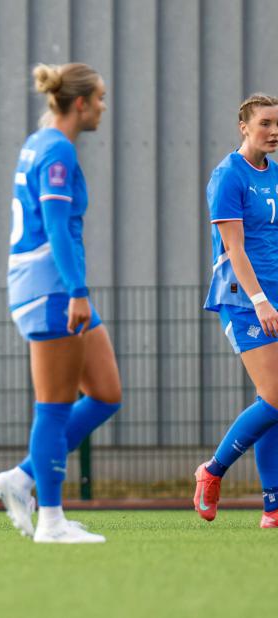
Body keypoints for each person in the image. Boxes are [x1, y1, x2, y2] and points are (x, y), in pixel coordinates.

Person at [0, 63, 120, 544]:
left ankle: (22, 477)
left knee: (106, 393)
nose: (103, 107)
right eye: (100, 98)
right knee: (54, 406)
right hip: (50, 289)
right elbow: (57, 225)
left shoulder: (40, 141)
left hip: (49, 286)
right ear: (80, 103)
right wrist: (77, 292)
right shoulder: (57, 149)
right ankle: (50, 520)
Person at [195, 93, 278, 529]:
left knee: (272, 400)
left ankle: (273, 507)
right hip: (245, 299)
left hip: (274, 295)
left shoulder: (274, 174)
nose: (274, 132)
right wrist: (261, 300)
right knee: (276, 395)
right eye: (265, 123)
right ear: (244, 127)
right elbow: (235, 249)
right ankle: (212, 471)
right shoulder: (228, 175)